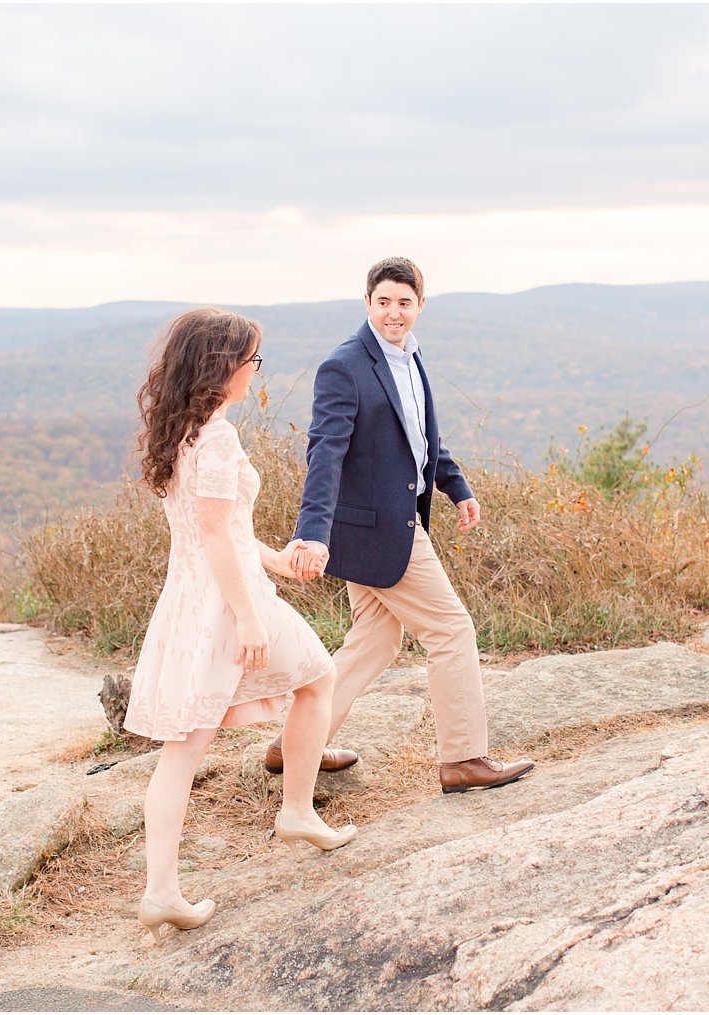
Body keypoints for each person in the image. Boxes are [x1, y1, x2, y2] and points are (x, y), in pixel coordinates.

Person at [124, 307, 356, 944]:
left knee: (185, 749)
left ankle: (163, 889)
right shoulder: (218, 438)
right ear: (220, 366)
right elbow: (215, 530)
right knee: (317, 678)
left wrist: (277, 560)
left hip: (195, 599)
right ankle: (295, 812)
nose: (256, 372)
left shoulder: (187, 430)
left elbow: (224, 530)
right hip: (226, 604)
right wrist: (251, 615)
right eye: (252, 360)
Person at [278, 257, 535, 794]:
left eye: (405, 302)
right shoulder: (344, 366)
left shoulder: (409, 356)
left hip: (383, 523)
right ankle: (464, 759)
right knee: (451, 630)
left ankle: (292, 745)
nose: (394, 313)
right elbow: (325, 453)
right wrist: (312, 533)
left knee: (374, 641)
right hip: (378, 528)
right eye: (384, 302)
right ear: (367, 303)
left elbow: (419, 439)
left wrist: (455, 485)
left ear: (421, 304)